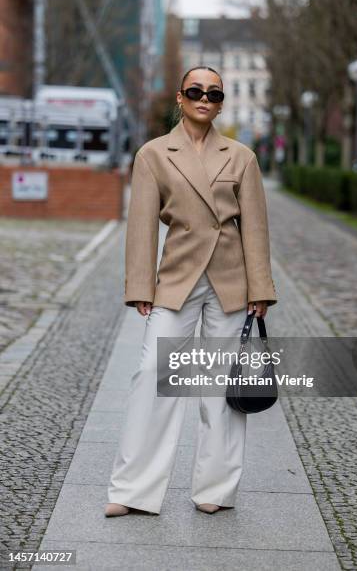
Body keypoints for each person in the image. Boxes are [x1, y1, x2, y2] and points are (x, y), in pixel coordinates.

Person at [104, 66, 278, 517]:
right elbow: (141, 225)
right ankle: (132, 491)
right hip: (177, 277)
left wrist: (260, 287)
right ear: (180, 98)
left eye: (214, 93)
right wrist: (141, 284)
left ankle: (215, 489)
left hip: (230, 280)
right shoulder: (153, 154)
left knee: (220, 386)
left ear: (221, 103)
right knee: (151, 376)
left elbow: (255, 228)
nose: (205, 98)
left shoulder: (241, 157)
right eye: (196, 91)